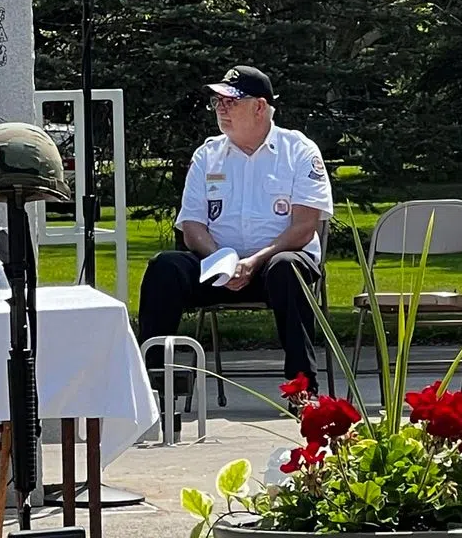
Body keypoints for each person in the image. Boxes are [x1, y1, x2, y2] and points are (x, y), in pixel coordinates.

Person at [136, 65, 333, 406]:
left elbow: (304, 227)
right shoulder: (207, 154)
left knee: (288, 268)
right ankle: (153, 387)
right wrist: (219, 259)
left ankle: (302, 391)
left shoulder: (298, 150)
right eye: (217, 101)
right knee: (164, 267)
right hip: (218, 267)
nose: (221, 109)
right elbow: (192, 224)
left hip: (276, 264)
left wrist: (254, 261)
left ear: (260, 106)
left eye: (231, 101)